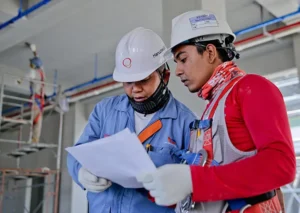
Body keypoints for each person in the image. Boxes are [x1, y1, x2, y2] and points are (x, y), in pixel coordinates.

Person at [137, 10, 296, 213]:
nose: (177, 71)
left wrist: (193, 181)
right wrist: (149, 184)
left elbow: (281, 165)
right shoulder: (212, 109)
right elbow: (209, 181)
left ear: (210, 52)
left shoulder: (251, 88)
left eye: (183, 59)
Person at [67, 27, 197, 213]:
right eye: (128, 82)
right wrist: (81, 172)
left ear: (165, 76)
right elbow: (78, 152)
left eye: (143, 80)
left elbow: (194, 185)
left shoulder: (186, 124)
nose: (135, 89)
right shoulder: (105, 111)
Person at [17, 43, 46, 143]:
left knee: (35, 120)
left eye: (31, 64)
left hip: (36, 100)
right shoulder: (41, 71)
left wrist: (19, 80)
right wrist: (34, 50)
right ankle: (35, 138)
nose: (30, 65)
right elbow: (38, 60)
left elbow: (27, 75)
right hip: (40, 100)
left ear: (34, 65)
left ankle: (33, 138)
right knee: (38, 119)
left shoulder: (34, 73)